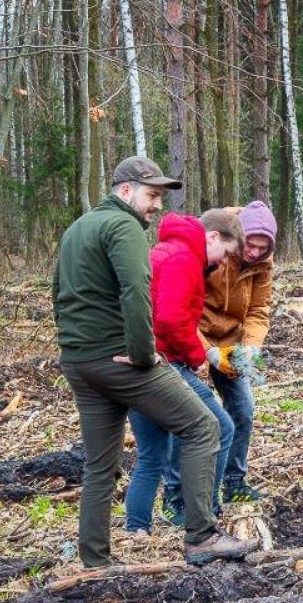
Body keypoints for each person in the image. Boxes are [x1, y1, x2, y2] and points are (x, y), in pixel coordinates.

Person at [52, 157, 253, 569]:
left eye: (160, 196)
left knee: (99, 466)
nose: (157, 205)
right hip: (121, 360)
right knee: (204, 426)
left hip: (79, 361)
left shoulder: (77, 228)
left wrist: (75, 350)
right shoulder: (123, 226)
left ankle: (95, 561)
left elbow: (59, 294)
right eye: (152, 195)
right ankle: (201, 536)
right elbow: (136, 291)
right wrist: (144, 354)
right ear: (125, 191)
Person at [127, 209, 246, 535]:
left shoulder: (166, 251)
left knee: (152, 456)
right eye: (225, 253)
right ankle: (204, 513)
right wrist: (196, 357)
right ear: (212, 237)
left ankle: (136, 532)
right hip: (165, 364)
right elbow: (170, 319)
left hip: (139, 364)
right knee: (220, 428)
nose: (222, 263)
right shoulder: (183, 259)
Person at [160, 200, 278, 511]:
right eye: (250, 246)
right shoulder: (215, 242)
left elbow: (258, 310)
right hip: (192, 336)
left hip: (233, 341)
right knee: (187, 411)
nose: (254, 253)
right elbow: (181, 307)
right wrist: (207, 352)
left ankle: (233, 481)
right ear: (240, 237)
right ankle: (174, 490)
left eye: (262, 249)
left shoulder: (263, 264)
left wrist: (251, 347)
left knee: (243, 408)